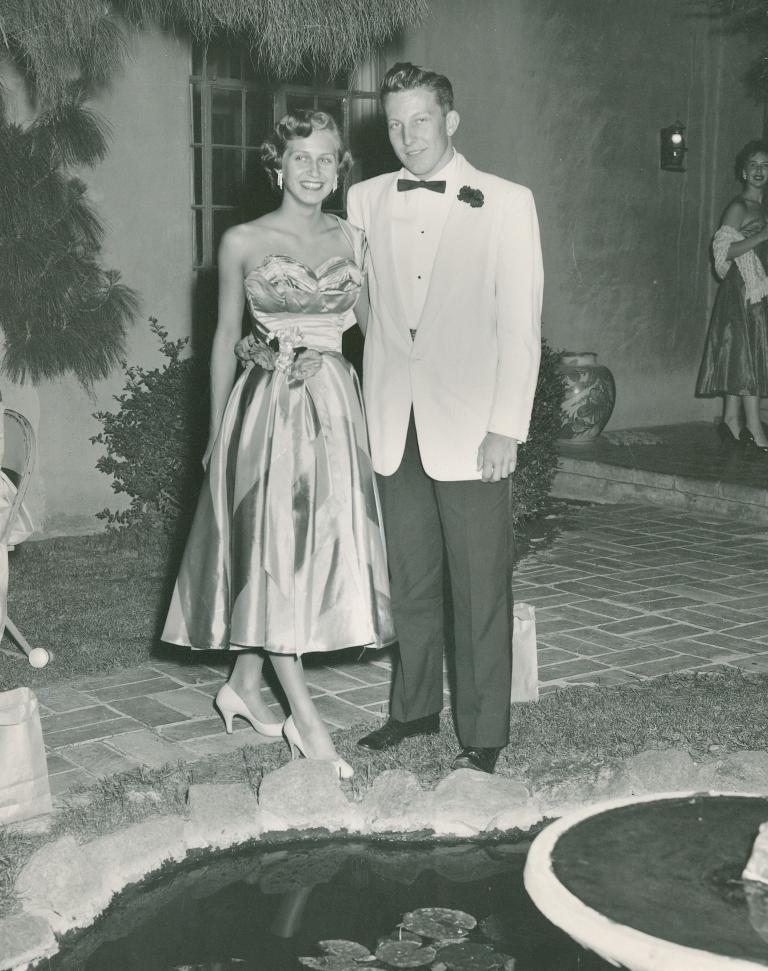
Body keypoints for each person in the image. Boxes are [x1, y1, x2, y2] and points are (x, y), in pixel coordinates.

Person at [162, 109, 395, 780]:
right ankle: (308, 724)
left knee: (303, 555)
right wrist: (212, 436)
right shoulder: (242, 239)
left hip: (337, 410)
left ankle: (242, 681)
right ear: (277, 164)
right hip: (269, 412)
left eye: (327, 159)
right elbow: (223, 338)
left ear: (339, 167)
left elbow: (374, 339)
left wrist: (371, 405)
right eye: (301, 158)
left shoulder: (356, 240)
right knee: (278, 560)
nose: (315, 171)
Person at [346, 63, 543, 774]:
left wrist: (506, 426)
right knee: (412, 580)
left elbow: (520, 327)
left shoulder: (507, 202)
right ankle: (414, 708)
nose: (407, 136)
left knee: (480, 584)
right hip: (395, 424)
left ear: (450, 121)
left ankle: (484, 732)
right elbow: (363, 306)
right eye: (395, 123)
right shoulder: (364, 198)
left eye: (420, 120)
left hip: (473, 429)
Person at [696, 139, 768, 451]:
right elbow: (722, 254)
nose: (758, 171)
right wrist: (763, 235)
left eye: (765, 166)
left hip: (755, 287)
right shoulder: (739, 206)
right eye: (753, 165)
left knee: (740, 352)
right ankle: (752, 426)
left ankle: (730, 420)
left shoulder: (762, 207)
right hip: (741, 288)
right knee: (749, 354)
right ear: (742, 171)